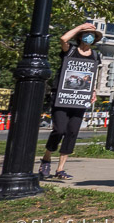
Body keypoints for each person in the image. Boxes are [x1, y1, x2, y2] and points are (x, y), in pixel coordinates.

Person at [39, 23, 102, 180]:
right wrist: (81, 26)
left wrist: (93, 91)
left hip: (80, 99)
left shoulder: (95, 55)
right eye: (87, 34)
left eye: (92, 35)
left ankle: (60, 169)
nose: (89, 37)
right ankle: (46, 159)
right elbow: (63, 38)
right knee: (59, 130)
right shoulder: (71, 50)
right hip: (62, 97)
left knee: (72, 131)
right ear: (80, 36)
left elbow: (93, 75)